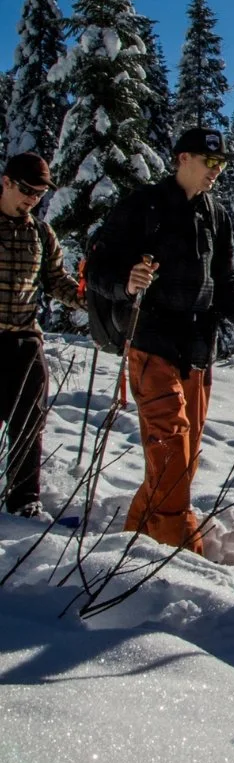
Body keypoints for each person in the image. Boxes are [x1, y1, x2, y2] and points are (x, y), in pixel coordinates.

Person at [87, 128, 234, 554]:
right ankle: (179, 554)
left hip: (198, 351)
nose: (216, 171)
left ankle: (136, 536)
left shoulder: (217, 215)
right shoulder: (143, 206)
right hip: (151, 343)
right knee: (172, 449)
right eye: (208, 162)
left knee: (183, 458)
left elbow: (226, 286)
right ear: (182, 159)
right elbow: (98, 269)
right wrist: (127, 282)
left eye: (222, 164)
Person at [0, 152, 85, 518]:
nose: (31, 199)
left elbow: (55, 281)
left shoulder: (40, 232)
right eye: (26, 190)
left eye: (38, 193)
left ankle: (24, 501)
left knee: (29, 421)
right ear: (6, 181)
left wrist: (86, 299)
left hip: (25, 339)